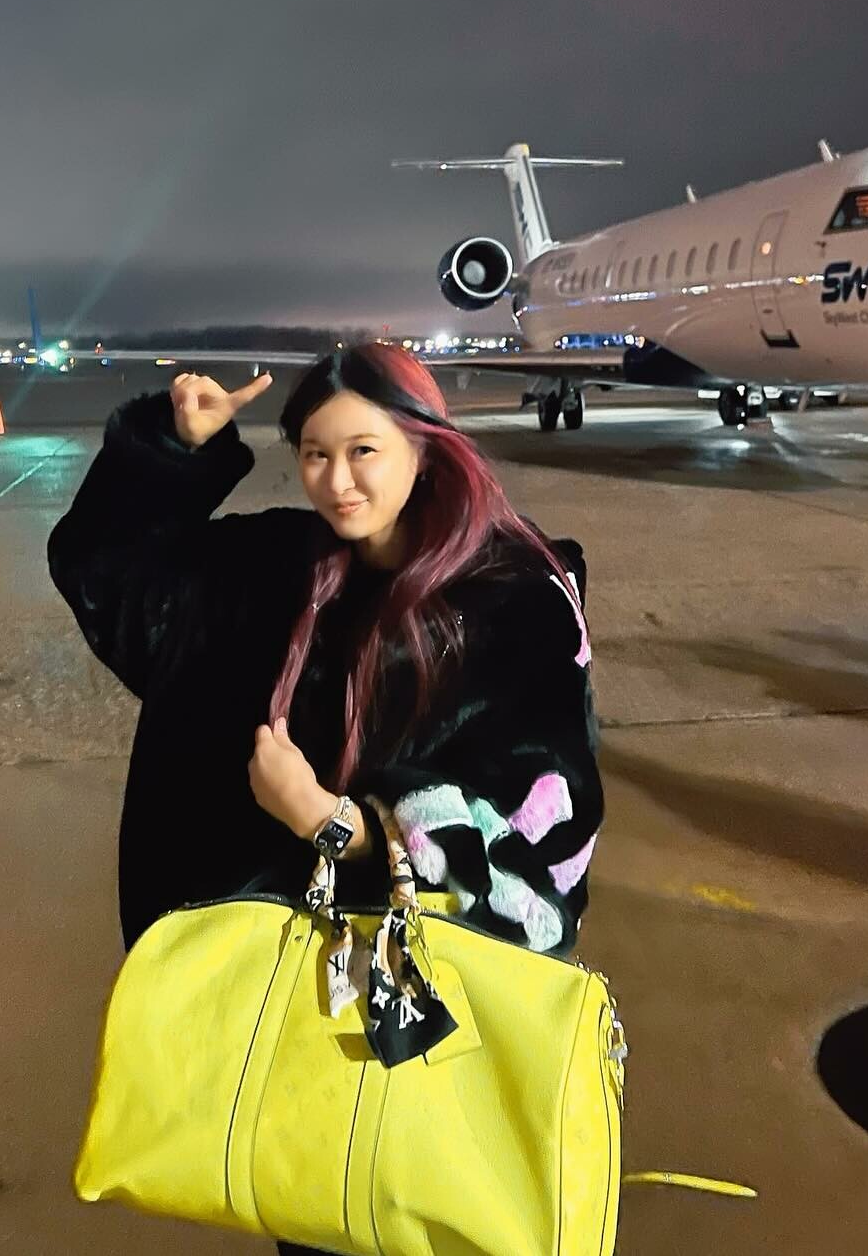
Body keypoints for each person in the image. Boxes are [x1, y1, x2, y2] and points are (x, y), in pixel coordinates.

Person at [47, 341, 604, 1255]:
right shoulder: (276, 570)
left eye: (363, 451)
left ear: (424, 445)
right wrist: (174, 448)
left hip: (431, 1003)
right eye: (315, 453)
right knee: (315, 1191)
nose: (337, 482)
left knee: (413, 1201)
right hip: (300, 988)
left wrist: (334, 822)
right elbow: (109, 581)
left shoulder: (511, 596)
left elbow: (543, 831)